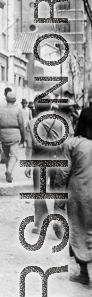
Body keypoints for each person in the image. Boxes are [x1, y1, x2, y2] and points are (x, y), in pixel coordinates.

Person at [59, 107, 92, 285]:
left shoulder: (72, 144)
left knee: (78, 228)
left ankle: (84, 273)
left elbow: (64, 172)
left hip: (79, 192)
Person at [24, 102, 67, 236]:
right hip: (57, 157)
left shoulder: (32, 123)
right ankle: (59, 223)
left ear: (36, 108)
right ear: (49, 108)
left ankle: (40, 223)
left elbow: (30, 146)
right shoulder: (60, 122)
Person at [0, 91, 24, 182]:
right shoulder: (17, 110)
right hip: (14, 133)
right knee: (13, 155)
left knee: (6, 155)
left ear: (6, 99)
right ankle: (9, 171)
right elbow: (21, 125)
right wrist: (23, 137)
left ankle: (8, 172)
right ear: (15, 100)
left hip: (3, 134)